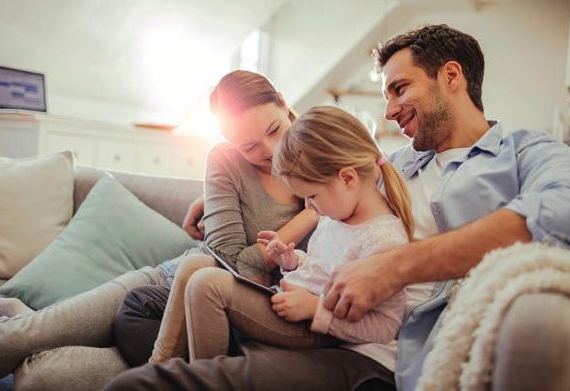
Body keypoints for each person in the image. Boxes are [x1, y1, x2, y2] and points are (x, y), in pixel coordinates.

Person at [104, 24, 570, 391]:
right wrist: (212, 199)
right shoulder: (389, 164)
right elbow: (317, 194)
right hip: (307, 295)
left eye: (400, 90)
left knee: (140, 382)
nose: (389, 110)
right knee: (140, 306)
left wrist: (396, 267)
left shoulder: (527, 151)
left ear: (451, 77)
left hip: (373, 345)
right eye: (386, 96)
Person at [0, 70, 318, 386]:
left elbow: (371, 174)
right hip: (164, 287)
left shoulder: (325, 158)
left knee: (44, 379)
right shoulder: (226, 160)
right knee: (26, 338)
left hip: (222, 328)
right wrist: (311, 214)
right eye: (250, 146)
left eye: (274, 129)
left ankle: (28, 316)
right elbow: (234, 262)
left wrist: (314, 206)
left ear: (285, 105)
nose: (270, 150)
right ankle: (30, 322)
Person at [155, 106, 412, 363]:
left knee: (207, 285)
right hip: (288, 301)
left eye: (312, 195)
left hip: (317, 329)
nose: (310, 207)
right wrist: (292, 261)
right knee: (198, 270)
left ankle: (196, 379)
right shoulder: (336, 216)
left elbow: (386, 325)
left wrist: (316, 310)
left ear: (347, 178)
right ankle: (172, 370)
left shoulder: (384, 242)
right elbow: (323, 269)